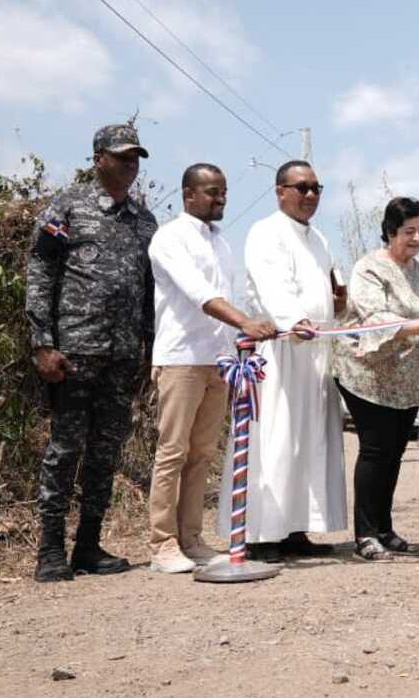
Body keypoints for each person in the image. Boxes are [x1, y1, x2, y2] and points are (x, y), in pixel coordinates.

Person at [25, 123, 158, 582]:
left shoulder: (144, 221)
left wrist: (149, 347)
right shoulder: (68, 207)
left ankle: (88, 545)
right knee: (64, 450)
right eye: (122, 156)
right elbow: (40, 273)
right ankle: (49, 551)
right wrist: (43, 343)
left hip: (122, 356)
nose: (130, 165)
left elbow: (149, 290)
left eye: (136, 158)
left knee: (105, 453)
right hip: (75, 351)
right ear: (98, 157)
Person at [145, 163, 276, 574]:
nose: (220, 199)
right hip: (181, 358)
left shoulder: (221, 242)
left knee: (201, 453)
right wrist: (245, 322)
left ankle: (191, 539)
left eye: (223, 192)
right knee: (173, 451)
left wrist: (251, 328)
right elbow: (199, 294)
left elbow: (225, 295)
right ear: (188, 195)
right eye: (211, 192)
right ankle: (162, 543)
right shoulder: (168, 238)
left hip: (218, 359)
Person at [221, 159, 347, 563]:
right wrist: (295, 321)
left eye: (315, 188)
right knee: (276, 438)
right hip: (279, 351)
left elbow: (329, 286)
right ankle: (261, 532)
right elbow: (273, 286)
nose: (309, 195)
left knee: (309, 440)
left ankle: (295, 527)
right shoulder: (265, 232)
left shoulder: (320, 239)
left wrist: (338, 304)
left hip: (315, 354)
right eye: (301, 187)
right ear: (280, 191)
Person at [333, 197, 419, 561]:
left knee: (395, 453)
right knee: (375, 450)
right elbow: (376, 317)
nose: (417, 238)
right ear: (390, 232)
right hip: (368, 374)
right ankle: (365, 535)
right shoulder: (369, 268)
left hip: (408, 379)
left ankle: (384, 529)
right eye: (408, 231)